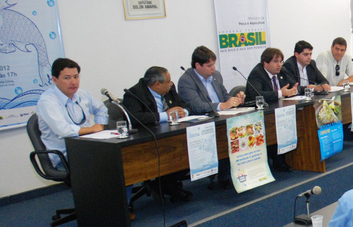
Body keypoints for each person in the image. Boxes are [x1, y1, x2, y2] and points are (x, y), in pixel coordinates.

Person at [124, 66, 192, 202]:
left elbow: (185, 106)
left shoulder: (169, 89)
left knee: (189, 152)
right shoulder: (134, 94)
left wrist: (183, 112)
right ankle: (166, 185)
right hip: (149, 139)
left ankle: (164, 184)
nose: (171, 84)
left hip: (173, 134)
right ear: (157, 84)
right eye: (168, 81)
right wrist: (165, 115)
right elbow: (136, 118)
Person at [36, 58, 108, 170]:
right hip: (65, 157)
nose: (73, 82)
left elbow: (101, 109)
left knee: (119, 159)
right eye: (67, 78)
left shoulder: (82, 94)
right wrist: (92, 129)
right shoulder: (47, 101)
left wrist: (100, 125)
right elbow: (63, 130)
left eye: (76, 77)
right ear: (55, 80)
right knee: (109, 166)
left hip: (87, 149)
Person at [177, 45, 245, 115]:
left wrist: (236, 100)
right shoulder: (186, 80)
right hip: (204, 118)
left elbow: (225, 97)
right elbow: (196, 105)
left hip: (222, 116)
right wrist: (221, 106)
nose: (213, 68)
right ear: (198, 65)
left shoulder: (216, 75)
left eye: (213, 64)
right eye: (209, 66)